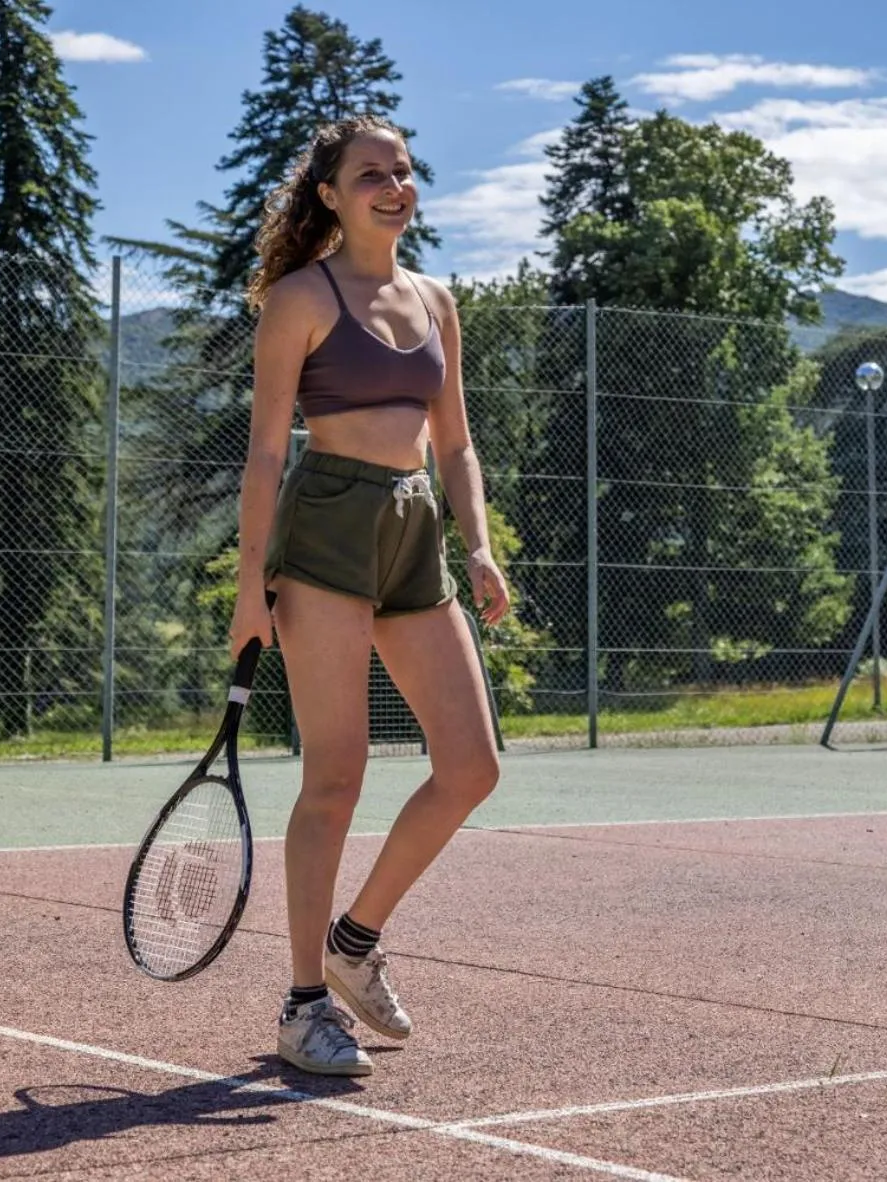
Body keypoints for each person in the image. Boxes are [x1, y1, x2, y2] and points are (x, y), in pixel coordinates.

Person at [230, 113, 510, 1076]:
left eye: (403, 172)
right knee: (335, 775)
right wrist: (247, 589)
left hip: (414, 528)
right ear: (330, 196)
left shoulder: (435, 298)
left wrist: (478, 545)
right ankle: (304, 1003)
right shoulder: (297, 299)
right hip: (327, 529)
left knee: (472, 766)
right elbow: (267, 450)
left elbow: (457, 440)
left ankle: (357, 940)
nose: (394, 187)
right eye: (370, 176)